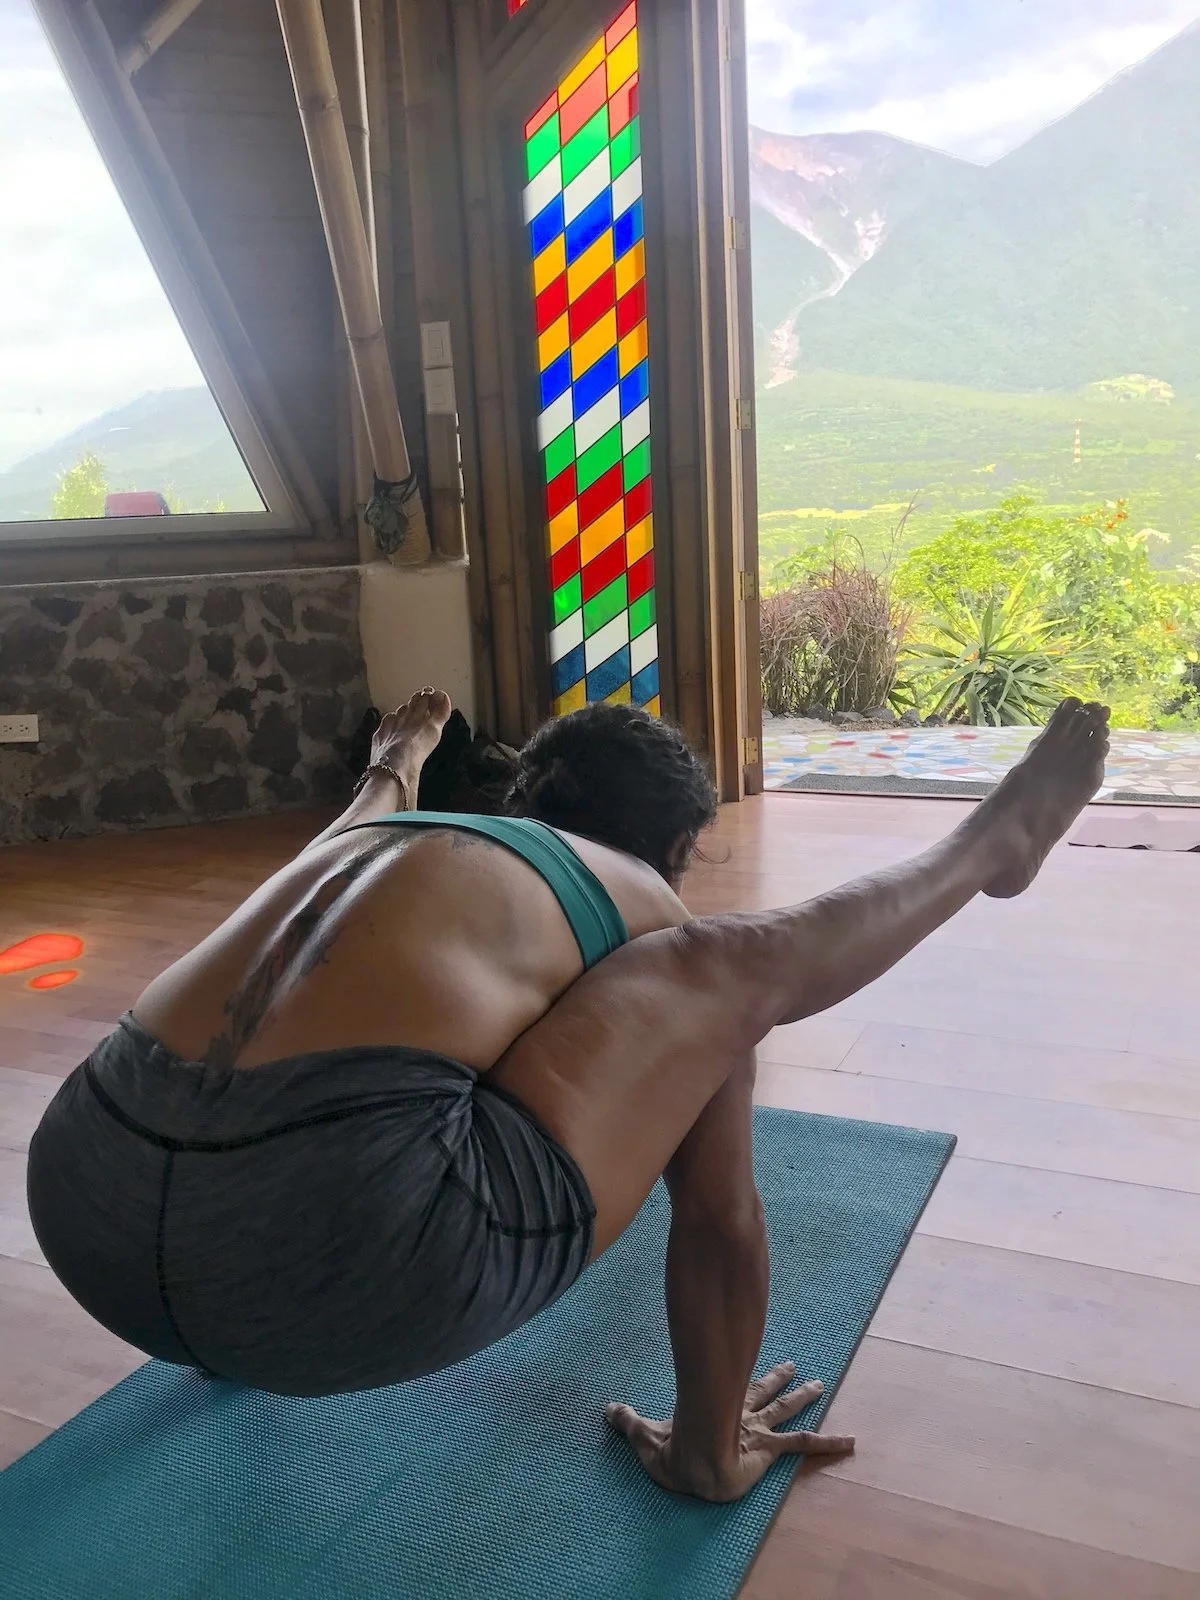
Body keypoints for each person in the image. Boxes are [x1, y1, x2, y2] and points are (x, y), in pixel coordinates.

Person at [27, 690, 1110, 1503]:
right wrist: (711, 1429)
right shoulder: (642, 902)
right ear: (674, 849)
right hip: (352, 1257)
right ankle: (988, 844)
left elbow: (369, 797)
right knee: (723, 972)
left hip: (86, 1209)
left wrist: (398, 757)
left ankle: (227, 1315)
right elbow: (722, 1218)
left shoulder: (372, 841)